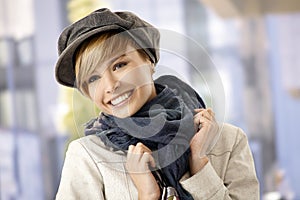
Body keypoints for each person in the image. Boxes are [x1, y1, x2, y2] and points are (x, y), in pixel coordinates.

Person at [54, 8, 259, 200]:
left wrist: (200, 164)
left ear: (149, 61)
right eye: (93, 79)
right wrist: (146, 195)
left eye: (119, 65)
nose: (109, 86)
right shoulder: (87, 156)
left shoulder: (228, 141)